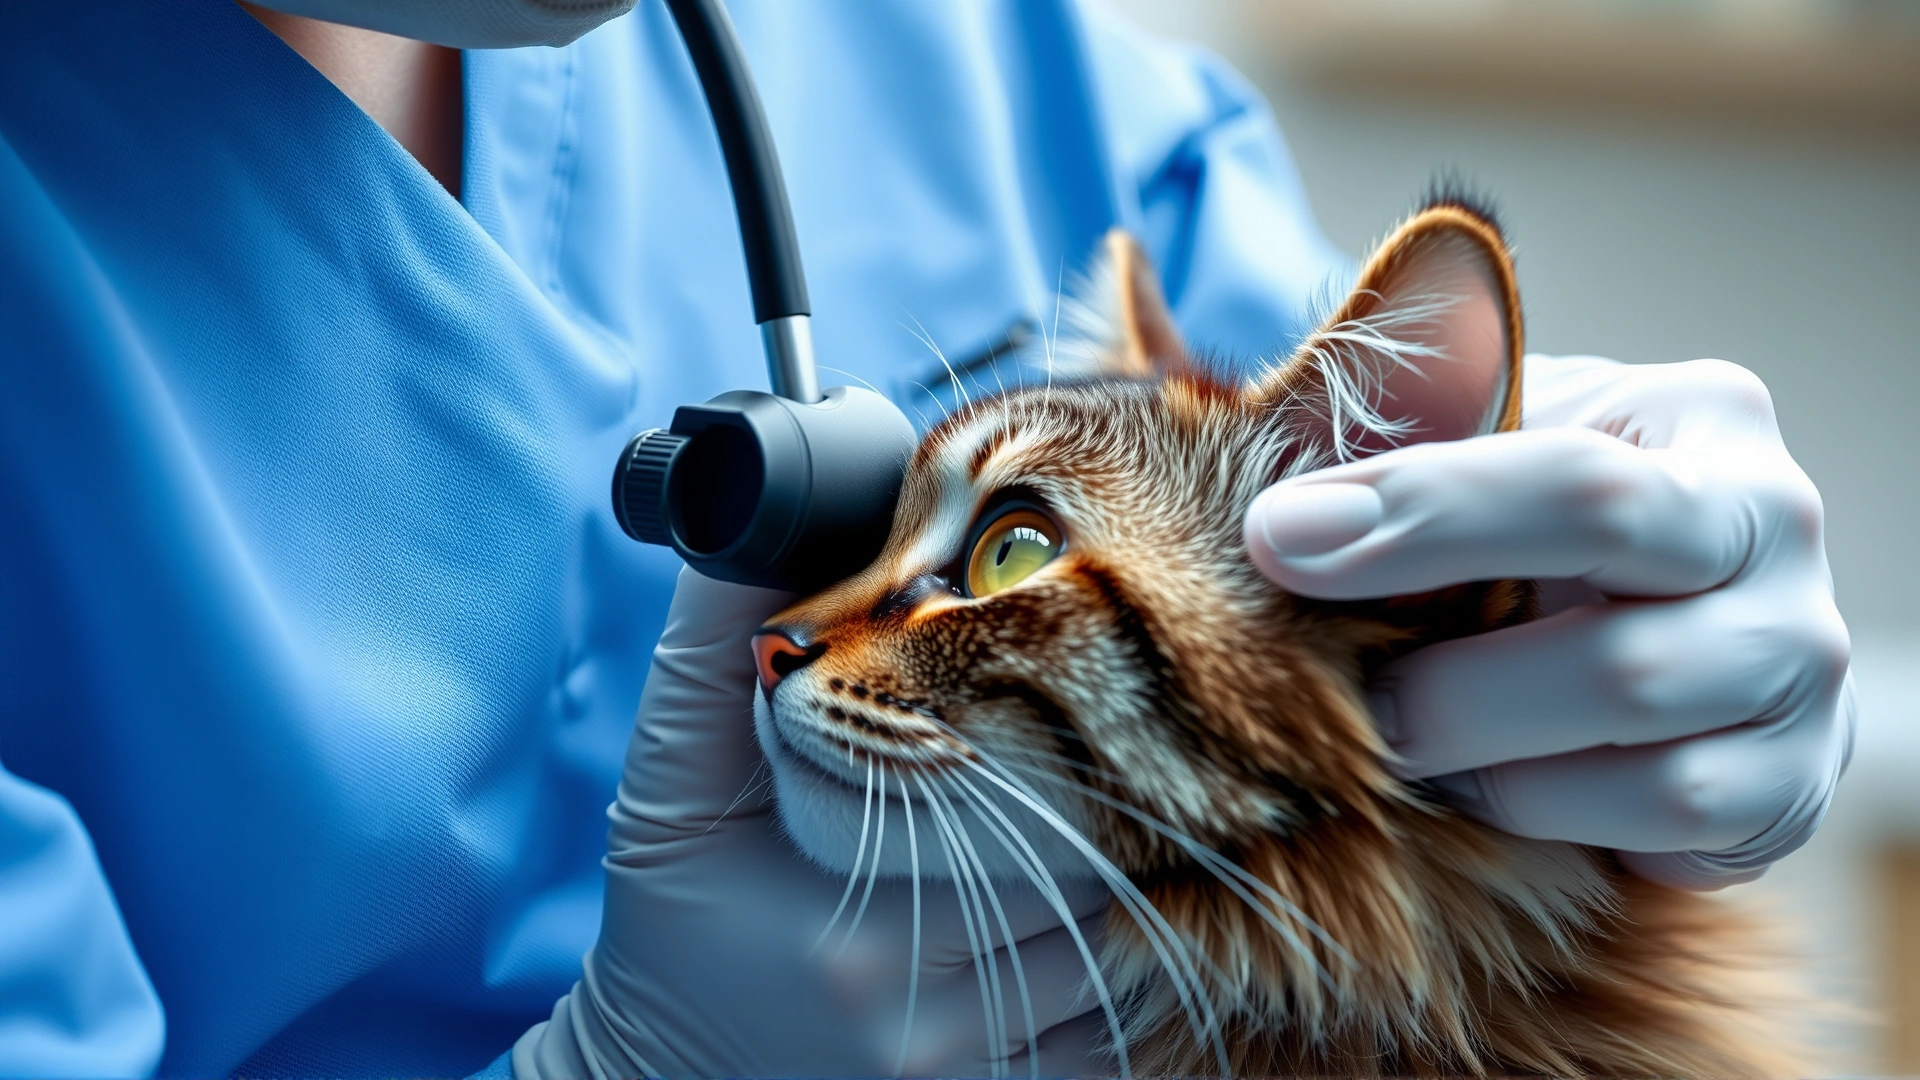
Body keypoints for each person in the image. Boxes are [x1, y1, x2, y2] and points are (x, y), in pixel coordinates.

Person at [0, 0, 1853, 1076]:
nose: (789, 645)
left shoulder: (992, 68)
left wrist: (1642, 627)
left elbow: (1316, 555)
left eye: (998, 557)